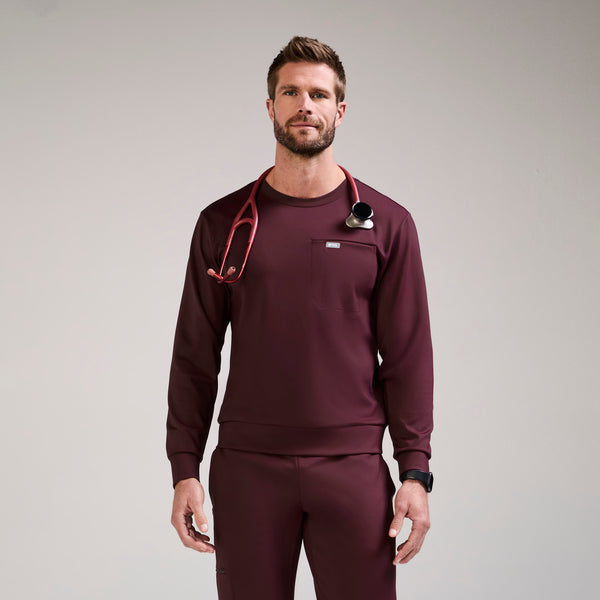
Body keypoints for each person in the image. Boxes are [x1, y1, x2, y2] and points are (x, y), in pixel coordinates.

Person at [166, 36, 435, 600]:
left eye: (319, 94)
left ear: (341, 109)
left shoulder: (387, 225)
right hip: (248, 470)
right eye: (290, 92)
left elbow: (408, 358)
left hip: (353, 467)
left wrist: (414, 471)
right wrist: (184, 467)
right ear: (271, 106)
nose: (304, 105)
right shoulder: (223, 223)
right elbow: (194, 356)